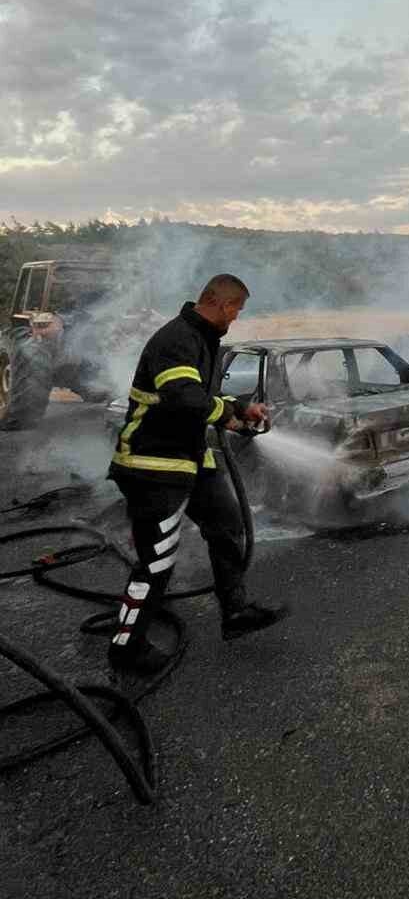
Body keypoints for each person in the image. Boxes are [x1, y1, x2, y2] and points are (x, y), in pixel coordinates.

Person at [107, 274, 288, 676]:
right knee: (156, 562)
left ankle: (235, 611)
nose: (236, 319)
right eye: (236, 309)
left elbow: (199, 398)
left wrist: (240, 411)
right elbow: (183, 398)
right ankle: (126, 649)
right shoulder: (176, 339)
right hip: (152, 466)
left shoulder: (202, 340)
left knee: (228, 525)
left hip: (189, 458)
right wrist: (226, 414)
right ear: (219, 303)